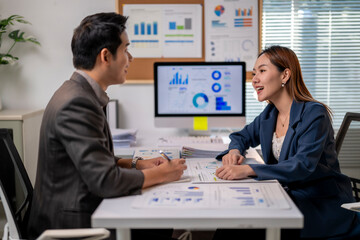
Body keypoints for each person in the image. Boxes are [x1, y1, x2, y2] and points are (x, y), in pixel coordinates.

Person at [27, 12, 186, 239]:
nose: (130, 58)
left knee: (158, 224)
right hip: (71, 224)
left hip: (76, 209)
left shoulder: (79, 92)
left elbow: (95, 160)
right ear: (106, 56)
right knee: (159, 226)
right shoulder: (77, 102)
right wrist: (162, 174)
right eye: (125, 50)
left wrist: (137, 164)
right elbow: (105, 180)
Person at [214, 46, 360, 239]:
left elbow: (302, 165)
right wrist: (234, 151)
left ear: (285, 75)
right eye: (254, 73)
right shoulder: (269, 115)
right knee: (234, 221)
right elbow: (240, 137)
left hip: (319, 203)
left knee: (240, 226)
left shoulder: (314, 114)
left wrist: (250, 170)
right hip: (287, 194)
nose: (254, 79)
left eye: (262, 71)